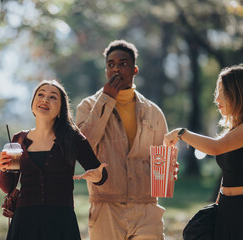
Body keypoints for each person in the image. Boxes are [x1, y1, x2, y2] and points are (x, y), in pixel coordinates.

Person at [75, 40, 170, 240]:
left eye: (123, 63)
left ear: (135, 69)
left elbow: (163, 163)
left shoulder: (154, 112)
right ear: (106, 71)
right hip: (106, 207)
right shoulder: (87, 106)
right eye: (111, 64)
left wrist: (169, 171)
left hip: (147, 208)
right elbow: (84, 146)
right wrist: (106, 99)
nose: (116, 68)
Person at [164, 64, 243, 240]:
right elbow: (228, 174)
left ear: (239, 93)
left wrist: (181, 133)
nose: (217, 98)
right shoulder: (236, 128)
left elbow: (214, 147)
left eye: (223, 92)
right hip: (226, 211)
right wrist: (215, 210)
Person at [0, 80, 108, 240]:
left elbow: (101, 175)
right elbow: (8, 186)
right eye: (40, 94)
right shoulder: (18, 139)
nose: (45, 99)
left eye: (52, 97)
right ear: (33, 103)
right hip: (24, 222)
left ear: (60, 110)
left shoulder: (73, 138)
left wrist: (97, 176)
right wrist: (3, 169)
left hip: (61, 222)